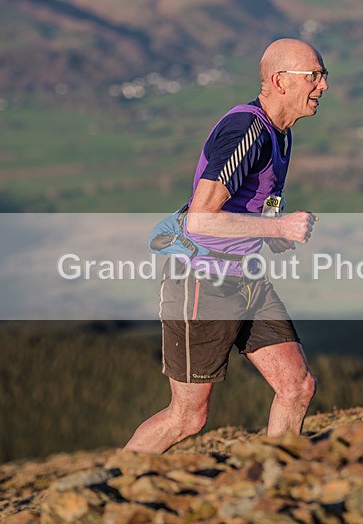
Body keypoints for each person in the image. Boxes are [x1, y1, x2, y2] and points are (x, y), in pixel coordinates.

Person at [124, 38, 329, 454]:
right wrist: (280, 229)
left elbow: (245, 207)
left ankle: (279, 482)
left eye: (323, 76)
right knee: (188, 417)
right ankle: (106, 488)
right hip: (201, 281)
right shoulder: (246, 130)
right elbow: (200, 219)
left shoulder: (280, 133)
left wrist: (268, 231)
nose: (324, 86)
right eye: (315, 76)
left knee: (297, 385)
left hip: (245, 276)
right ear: (279, 81)